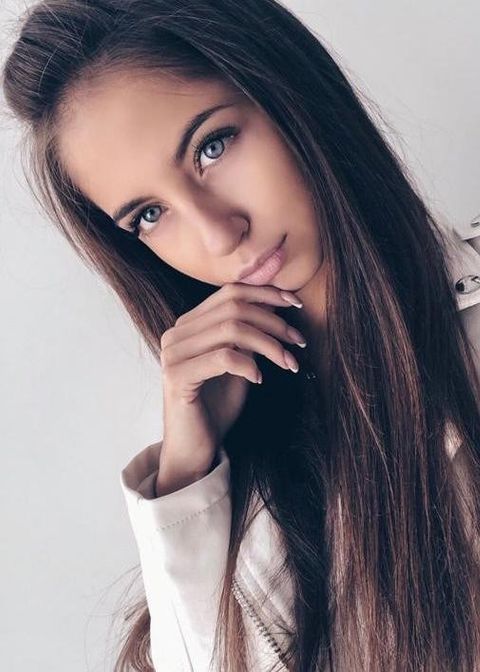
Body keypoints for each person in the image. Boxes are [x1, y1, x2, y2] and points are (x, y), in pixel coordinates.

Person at [3, 1, 480, 670]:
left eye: (212, 146)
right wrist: (187, 476)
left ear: (289, 90)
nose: (217, 233)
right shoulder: (229, 459)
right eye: (149, 215)